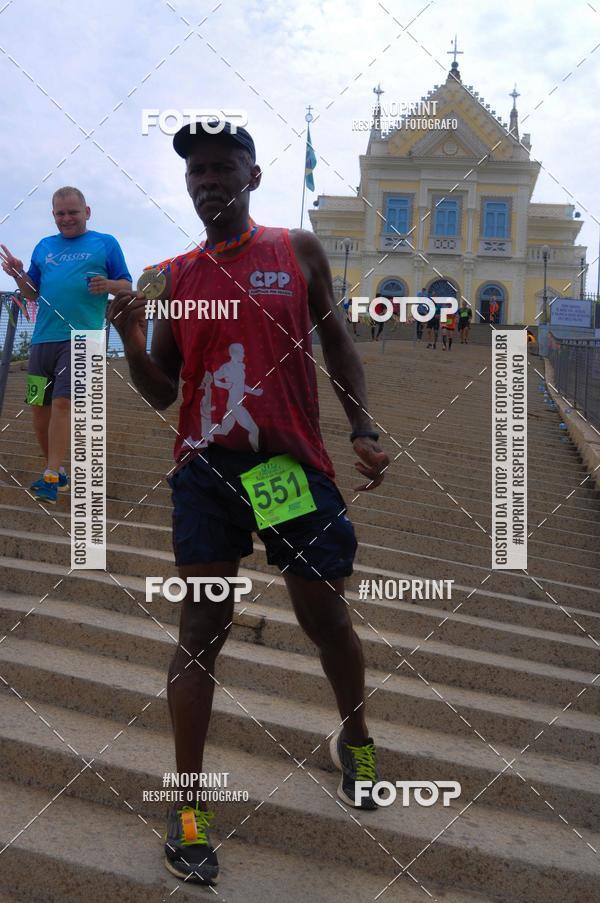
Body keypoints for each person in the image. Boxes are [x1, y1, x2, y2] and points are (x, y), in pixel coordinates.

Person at [108, 121, 390, 887]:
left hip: (284, 469)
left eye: (222, 168)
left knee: (324, 618)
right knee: (199, 632)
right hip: (205, 471)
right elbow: (162, 392)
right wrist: (132, 337)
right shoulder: (174, 277)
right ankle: (189, 808)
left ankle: (356, 741)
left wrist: (363, 427)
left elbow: (339, 341)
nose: (207, 181)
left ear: (253, 176)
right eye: (195, 171)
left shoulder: (297, 251)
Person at [0, 188, 131, 502]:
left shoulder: (106, 243)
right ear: (53, 215)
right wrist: (18, 274)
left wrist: (108, 285)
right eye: (60, 213)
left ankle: (49, 477)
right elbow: (31, 292)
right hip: (43, 340)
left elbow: (126, 285)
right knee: (38, 407)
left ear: (87, 212)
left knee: (63, 403)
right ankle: (57, 472)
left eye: (73, 212)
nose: (67, 218)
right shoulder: (44, 246)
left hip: (83, 339)